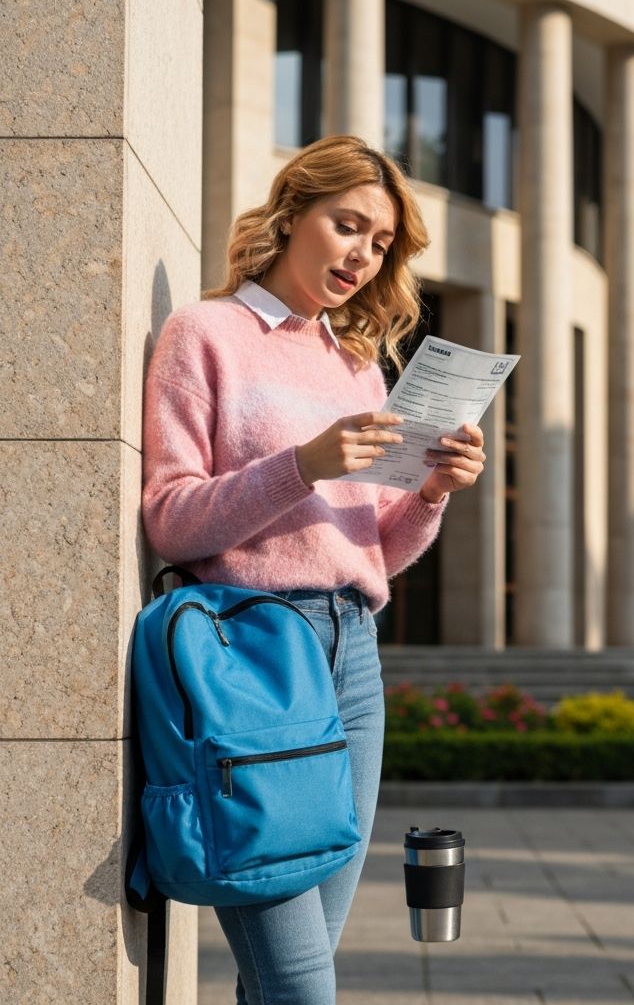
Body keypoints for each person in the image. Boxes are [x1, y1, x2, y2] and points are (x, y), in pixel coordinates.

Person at [141, 134, 486, 1005]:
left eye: (380, 243)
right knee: (300, 984)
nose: (364, 255)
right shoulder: (205, 333)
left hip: (353, 658)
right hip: (250, 661)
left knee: (299, 970)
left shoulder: (359, 366)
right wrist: (305, 464)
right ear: (292, 213)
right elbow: (171, 518)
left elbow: (375, 550)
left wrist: (434, 493)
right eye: (348, 226)